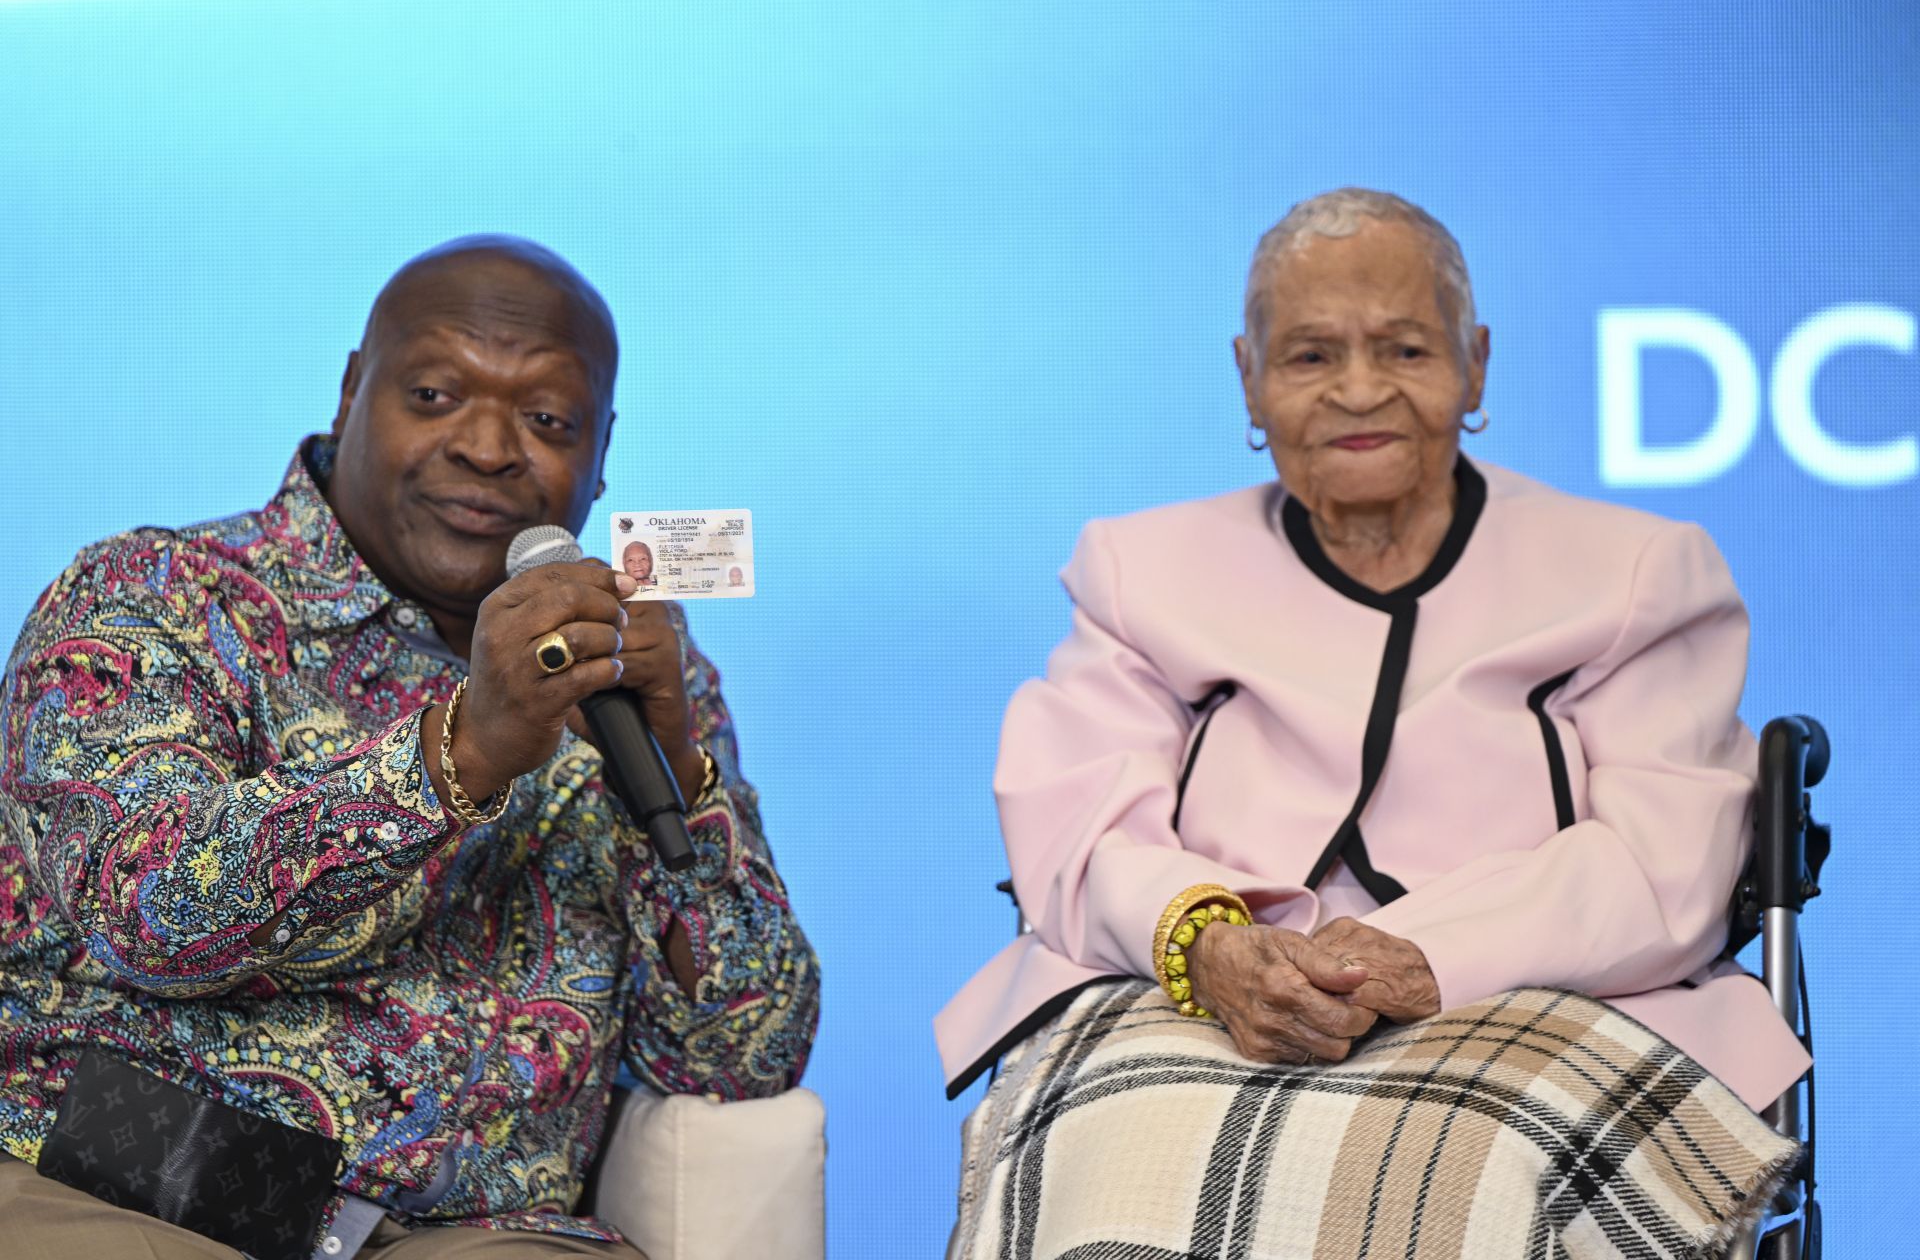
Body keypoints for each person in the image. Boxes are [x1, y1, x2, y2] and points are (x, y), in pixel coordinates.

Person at [938, 190, 1807, 1256]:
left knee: (1469, 1167)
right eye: (1309, 357)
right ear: (1249, 381)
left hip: (1539, 987)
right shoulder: (1143, 569)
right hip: (1207, 992)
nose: (1359, 390)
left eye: (1404, 347)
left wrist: (1420, 953)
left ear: (1475, 365)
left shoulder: (1632, 571)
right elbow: (1078, 825)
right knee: (1106, 1153)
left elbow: (1664, 864)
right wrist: (1208, 945)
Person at [0, 237, 819, 1257]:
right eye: (434, 394)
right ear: (352, 392)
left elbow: (738, 1055)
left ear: (602, 455)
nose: (486, 446)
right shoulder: (151, 597)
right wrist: (463, 751)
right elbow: (147, 911)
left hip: (467, 1233)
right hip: (144, 1182)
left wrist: (681, 781)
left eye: (548, 420)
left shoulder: (631, 666)